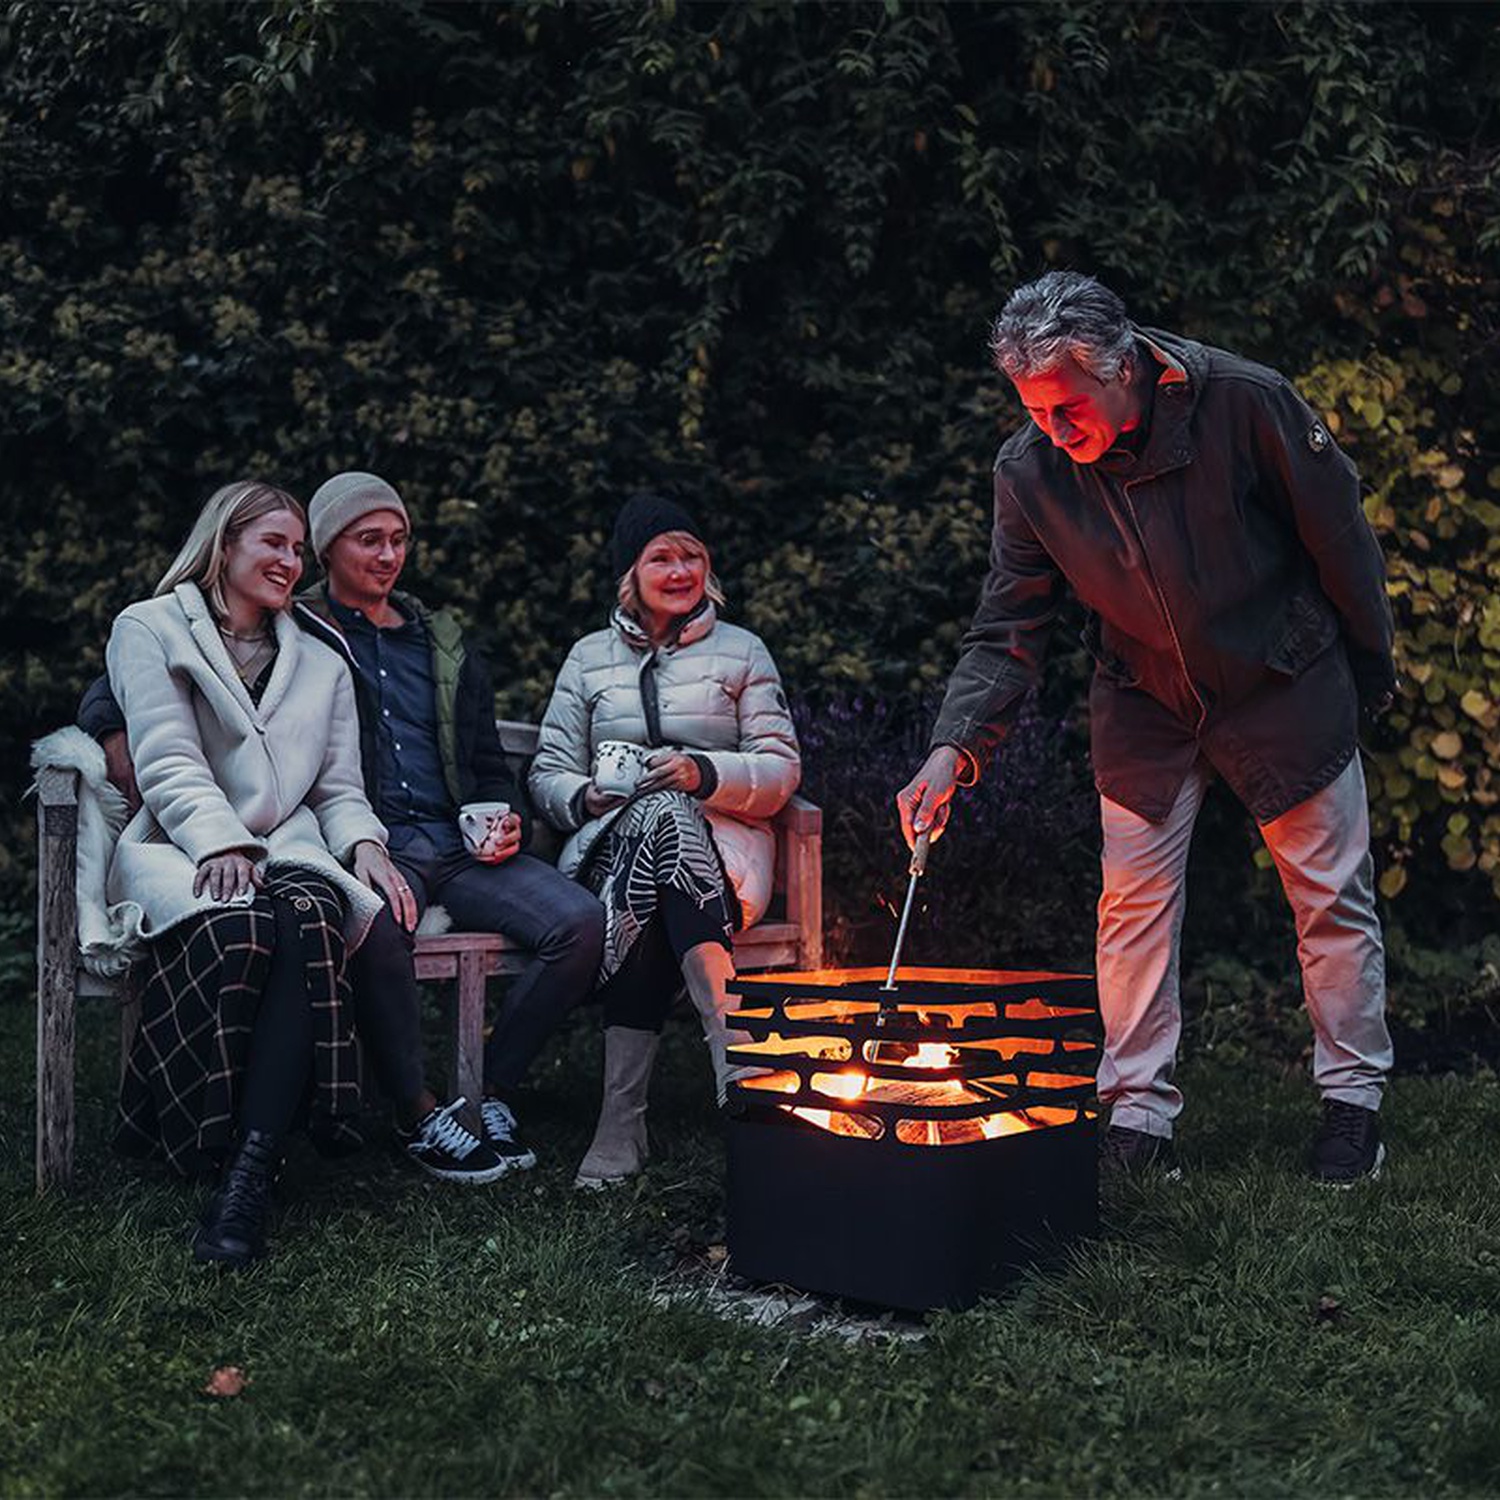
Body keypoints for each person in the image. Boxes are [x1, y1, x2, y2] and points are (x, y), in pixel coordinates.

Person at [896, 271, 1397, 1185]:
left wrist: (1369, 670)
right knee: (1131, 910)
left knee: (1329, 897)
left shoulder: (1247, 403)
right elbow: (1008, 629)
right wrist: (951, 748)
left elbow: (1340, 539)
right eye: (1034, 411)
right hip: (1143, 699)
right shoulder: (1030, 473)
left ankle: (1352, 1103)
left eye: (1066, 407)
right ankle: (1136, 1114)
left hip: (1281, 673)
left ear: (1122, 370)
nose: (1052, 430)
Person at [83, 471, 604, 1176]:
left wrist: (504, 812)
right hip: (366, 836)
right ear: (328, 552)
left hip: (456, 841)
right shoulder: (293, 623)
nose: (389, 556)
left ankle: (488, 1095)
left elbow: (483, 756)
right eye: (369, 540)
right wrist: (109, 729)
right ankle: (416, 1110)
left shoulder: (441, 641)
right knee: (375, 923)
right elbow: (129, 675)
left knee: (579, 923)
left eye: (399, 540)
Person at [104, 480, 432, 1269]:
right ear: (225, 544)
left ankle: (248, 1172)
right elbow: (166, 755)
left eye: (295, 548)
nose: (291, 561)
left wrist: (368, 847)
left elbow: (340, 789)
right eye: (273, 544)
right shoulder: (149, 629)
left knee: (315, 917)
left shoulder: (322, 659)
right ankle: (191, 1127)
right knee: (244, 923)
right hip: (181, 843)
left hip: (292, 842)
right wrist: (220, 841)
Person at [529, 493, 800, 1188]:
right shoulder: (588, 658)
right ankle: (734, 1049)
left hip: (724, 856)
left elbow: (780, 768)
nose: (680, 570)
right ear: (631, 572)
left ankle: (621, 1125)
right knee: (650, 834)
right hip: (605, 855)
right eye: (662, 557)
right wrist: (584, 795)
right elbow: (548, 772)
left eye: (692, 556)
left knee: (667, 818)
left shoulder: (742, 651)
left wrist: (702, 772)